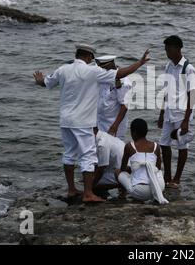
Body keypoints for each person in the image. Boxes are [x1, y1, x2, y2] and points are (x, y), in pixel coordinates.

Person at [33, 44, 150, 203]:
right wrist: (140, 63)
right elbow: (121, 73)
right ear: (89, 57)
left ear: (76, 54)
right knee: (88, 156)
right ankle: (88, 193)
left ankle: (71, 189)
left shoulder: (63, 70)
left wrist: (39, 79)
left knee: (69, 154)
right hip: (83, 122)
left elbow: (45, 82)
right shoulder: (92, 71)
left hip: (66, 120)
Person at [157, 35, 195, 189]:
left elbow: (192, 96)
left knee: (182, 146)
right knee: (164, 143)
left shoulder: (188, 69)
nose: (167, 52)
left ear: (178, 48)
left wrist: (187, 121)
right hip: (169, 111)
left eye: (169, 49)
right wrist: (161, 114)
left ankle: (177, 178)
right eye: (166, 49)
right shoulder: (168, 66)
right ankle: (167, 176)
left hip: (182, 113)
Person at [115, 119, 168, 204]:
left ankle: (122, 194)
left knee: (117, 171)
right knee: (158, 172)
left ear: (134, 132)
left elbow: (122, 169)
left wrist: (131, 169)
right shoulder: (156, 146)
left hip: (140, 192)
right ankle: (158, 194)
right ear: (146, 132)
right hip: (159, 187)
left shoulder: (129, 146)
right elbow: (157, 168)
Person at [95, 55, 132, 140]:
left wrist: (114, 126)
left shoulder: (123, 82)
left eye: (103, 68)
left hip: (113, 126)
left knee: (114, 152)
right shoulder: (103, 77)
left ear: (110, 65)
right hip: (100, 123)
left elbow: (124, 106)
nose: (101, 71)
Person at [93, 127, 125, 198]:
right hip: (124, 170)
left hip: (122, 174)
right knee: (90, 177)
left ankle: (122, 186)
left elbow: (101, 169)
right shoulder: (104, 135)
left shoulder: (102, 144)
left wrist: (90, 187)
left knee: (90, 182)